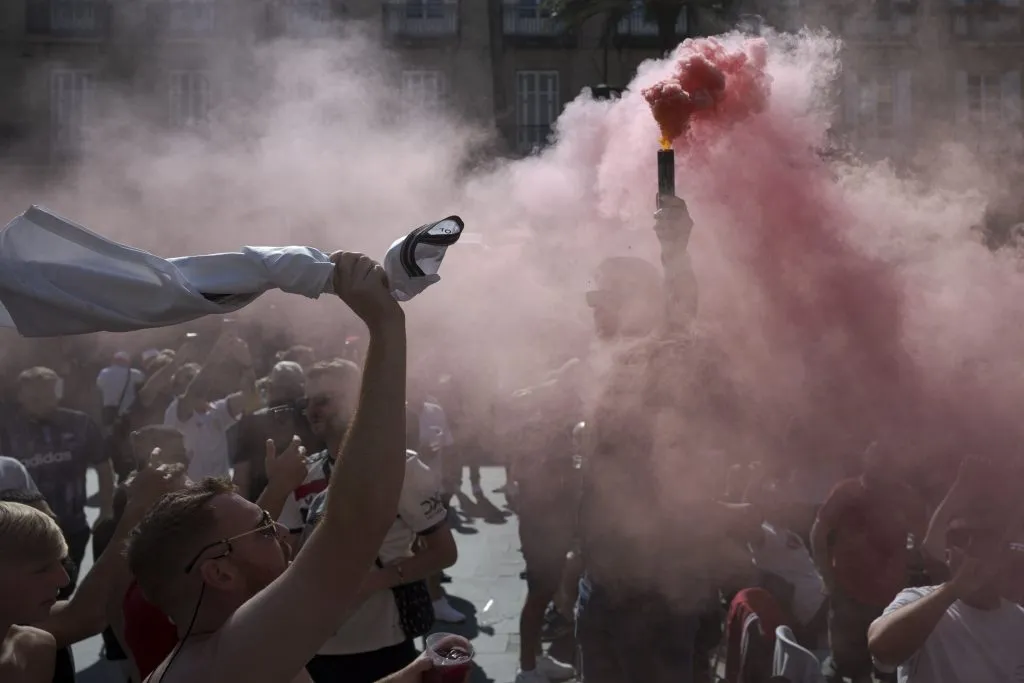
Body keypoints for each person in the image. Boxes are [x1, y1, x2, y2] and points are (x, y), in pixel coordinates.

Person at [126, 251, 410, 683]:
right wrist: (386, 324)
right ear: (220, 572)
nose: (278, 527)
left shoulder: (233, 654)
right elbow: (357, 521)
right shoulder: (228, 659)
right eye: (261, 529)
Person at [298, 361, 460, 683]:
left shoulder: (401, 467)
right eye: (307, 402)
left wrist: (370, 583)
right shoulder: (302, 471)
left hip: (380, 643)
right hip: (310, 643)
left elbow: (444, 553)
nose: (311, 411)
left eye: (323, 400)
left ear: (357, 401)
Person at [0, 465, 183, 683]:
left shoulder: (37, 648)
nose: (64, 579)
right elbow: (86, 615)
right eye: (41, 567)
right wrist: (137, 509)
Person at [811, 442, 928, 683]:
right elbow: (819, 532)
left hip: (890, 600)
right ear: (867, 462)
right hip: (847, 594)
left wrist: (909, 563)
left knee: (889, 669)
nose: (884, 467)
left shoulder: (906, 497)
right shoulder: (847, 492)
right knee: (848, 668)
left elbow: (924, 538)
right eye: (878, 461)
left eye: (888, 462)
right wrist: (827, 576)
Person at [868, 508, 1024, 681]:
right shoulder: (917, 600)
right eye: (961, 539)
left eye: (987, 539)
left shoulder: (1019, 621)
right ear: (947, 555)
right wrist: (954, 589)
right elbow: (882, 650)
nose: (974, 551)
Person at [0, 366, 114, 589]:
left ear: (57, 393)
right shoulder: (7, 430)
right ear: (21, 396)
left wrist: (106, 509)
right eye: (34, 398)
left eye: (47, 396)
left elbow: (103, 464)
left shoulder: (80, 424)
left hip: (73, 525)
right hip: (24, 531)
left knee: (64, 586)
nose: (42, 403)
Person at [163, 334, 261, 481]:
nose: (195, 379)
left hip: (221, 491)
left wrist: (247, 365)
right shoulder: (176, 412)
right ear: (177, 387)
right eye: (189, 377)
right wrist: (217, 354)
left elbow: (250, 397)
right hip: (191, 492)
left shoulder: (217, 411)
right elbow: (196, 391)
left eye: (196, 375)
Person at [232, 361, 323, 503]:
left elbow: (240, 479)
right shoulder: (315, 417)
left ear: (270, 387)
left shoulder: (253, 421)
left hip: (266, 505)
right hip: (310, 504)